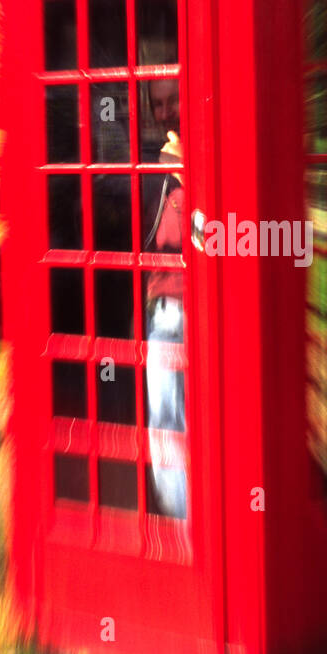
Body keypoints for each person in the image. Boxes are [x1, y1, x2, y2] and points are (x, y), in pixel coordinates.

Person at [144, 78, 187, 519]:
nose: (164, 112)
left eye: (172, 100)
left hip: (202, 312)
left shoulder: (202, 156)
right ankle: (183, 523)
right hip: (166, 311)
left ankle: (195, 523)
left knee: (186, 422)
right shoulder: (156, 163)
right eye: (157, 104)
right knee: (165, 420)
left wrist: (186, 171)